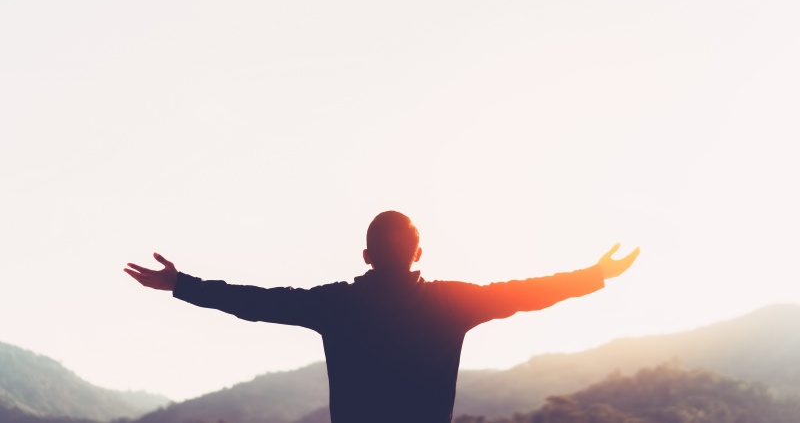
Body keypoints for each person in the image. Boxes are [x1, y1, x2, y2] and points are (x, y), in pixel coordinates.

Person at [124, 210, 639, 423]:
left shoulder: (337, 304)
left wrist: (180, 284)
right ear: (419, 255)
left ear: (366, 256)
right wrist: (596, 275)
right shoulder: (451, 303)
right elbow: (528, 293)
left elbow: (257, 302)